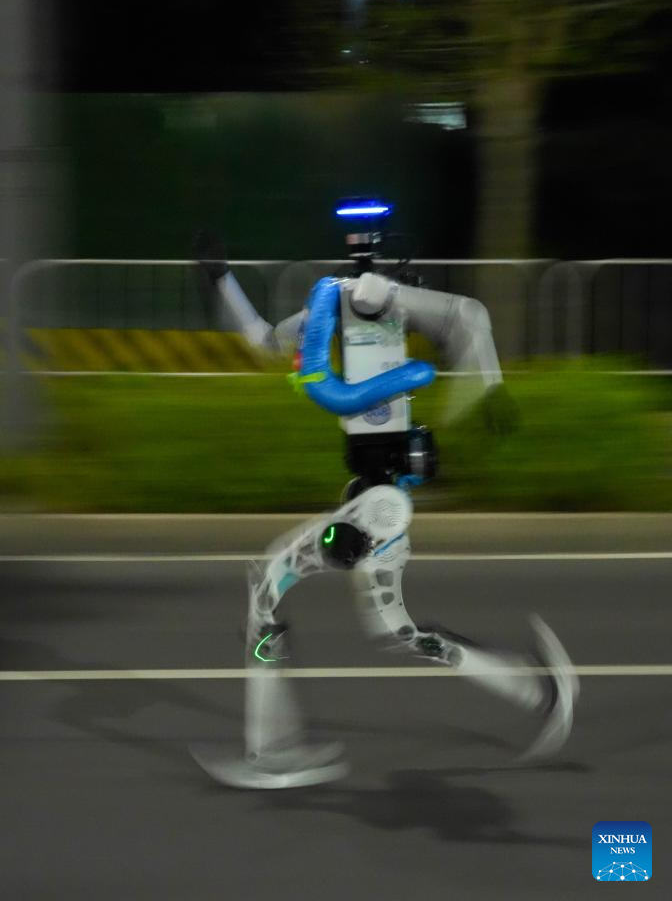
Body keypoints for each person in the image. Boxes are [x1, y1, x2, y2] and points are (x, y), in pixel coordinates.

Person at [190, 200, 578, 789]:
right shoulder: (329, 309)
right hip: (368, 497)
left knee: (268, 584)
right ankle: (536, 690)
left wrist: (489, 386)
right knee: (399, 632)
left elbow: (465, 314)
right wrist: (222, 278)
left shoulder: (383, 297)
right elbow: (265, 339)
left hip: (380, 504)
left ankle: (274, 750)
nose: (361, 290)